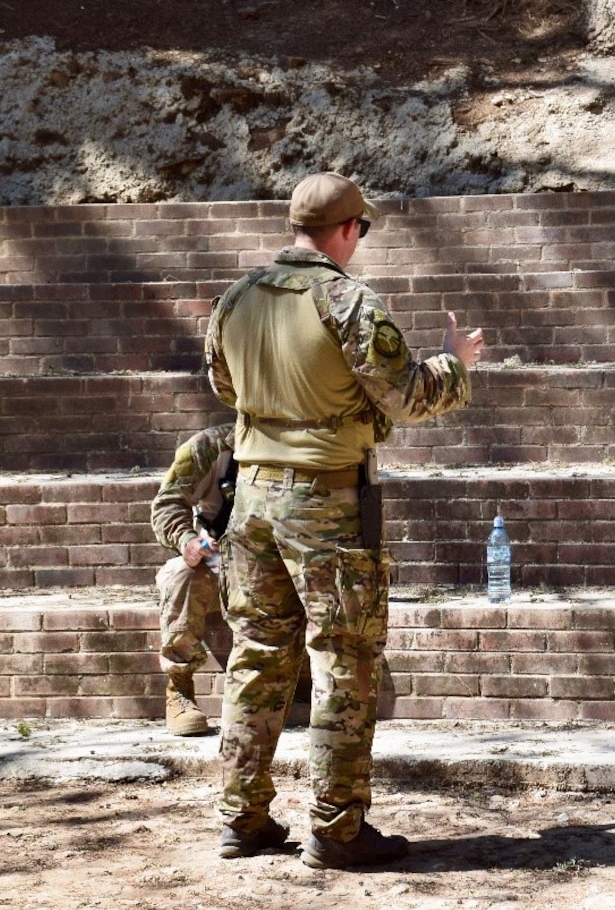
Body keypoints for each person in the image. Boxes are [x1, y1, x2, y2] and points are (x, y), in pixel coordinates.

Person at [204, 171, 484, 868]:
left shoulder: (237, 297)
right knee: (344, 661)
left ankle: (242, 818)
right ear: (348, 229)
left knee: (257, 657)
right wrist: (455, 362)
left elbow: (222, 384)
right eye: (361, 229)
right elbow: (406, 397)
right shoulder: (347, 299)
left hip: (251, 500)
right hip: (324, 503)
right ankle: (336, 828)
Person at [149, 423, 236, 737]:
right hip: (220, 560)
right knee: (183, 573)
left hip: (275, 564)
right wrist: (188, 541)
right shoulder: (212, 446)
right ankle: (180, 688)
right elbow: (167, 504)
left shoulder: (301, 442)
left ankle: (300, 685)